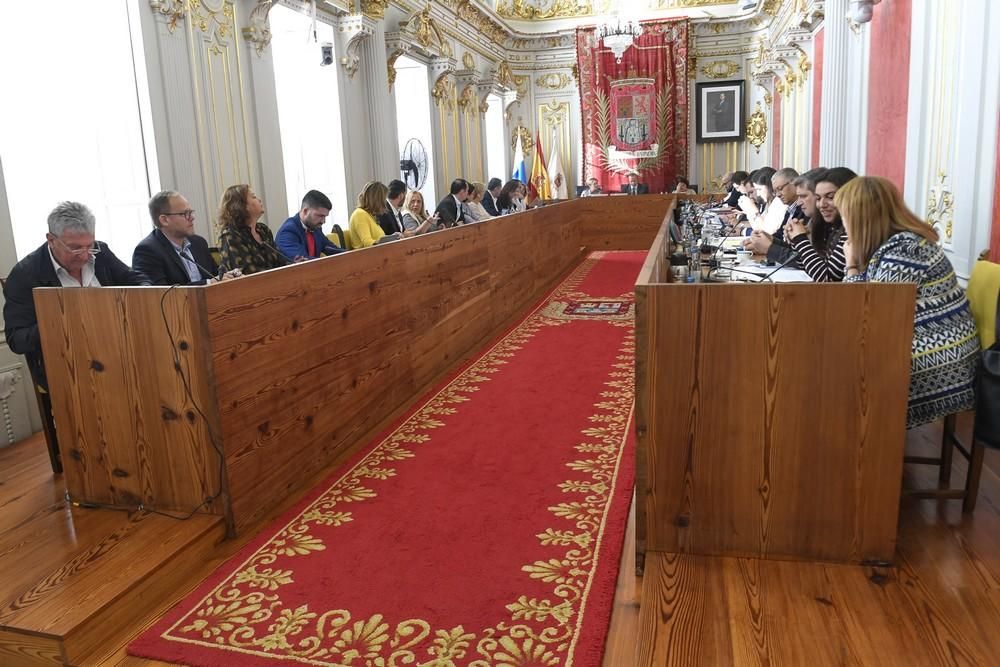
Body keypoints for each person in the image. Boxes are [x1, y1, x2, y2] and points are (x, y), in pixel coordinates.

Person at [838, 176, 979, 428]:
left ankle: (864, 451)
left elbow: (866, 313)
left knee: (840, 376)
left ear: (861, 219)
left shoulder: (905, 250)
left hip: (940, 358)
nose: (843, 225)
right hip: (930, 343)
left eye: (844, 217)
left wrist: (851, 266)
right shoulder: (897, 244)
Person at [4, 201, 149, 393]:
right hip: (67, 367)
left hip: (118, 351)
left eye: (89, 246)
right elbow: (17, 339)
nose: (84, 256)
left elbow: (134, 279)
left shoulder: (101, 252)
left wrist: (147, 291)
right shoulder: (25, 275)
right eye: (75, 248)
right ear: (51, 240)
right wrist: (63, 322)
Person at [786, 167, 857, 282]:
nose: (822, 205)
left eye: (830, 197)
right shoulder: (832, 226)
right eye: (818, 198)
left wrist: (800, 239)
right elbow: (805, 265)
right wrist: (795, 239)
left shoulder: (851, 230)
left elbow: (826, 278)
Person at [133, 190, 218, 285]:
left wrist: (227, 277)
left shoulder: (199, 242)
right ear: (164, 220)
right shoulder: (147, 251)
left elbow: (216, 275)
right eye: (185, 214)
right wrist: (208, 283)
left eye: (191, 212)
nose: (192, 218)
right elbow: (163, 294)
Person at [218, 184, 287, 275]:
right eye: (254, 197)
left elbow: (280, 261)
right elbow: (248, 273)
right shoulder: (230, 235)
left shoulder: (263, 230)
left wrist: (295, 265)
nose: (259, 200)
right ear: (242, 205)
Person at [742, 167, 799, 260]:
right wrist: (762, 242)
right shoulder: (790, 208)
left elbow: (799, 257)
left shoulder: (798, 210)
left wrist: (769, 248)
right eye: (775, 191)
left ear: (795, 184)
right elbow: (781, 238)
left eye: (780, 189)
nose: (778, 194)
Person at [275, 190, 345, 260]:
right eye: (320, 216)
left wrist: (351, 255)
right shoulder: (288, 232)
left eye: (325, 217)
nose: (323, 221)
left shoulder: (315, 227)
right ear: (305, 211)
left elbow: (329, 248)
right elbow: (304, 262)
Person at [349, 181, 399, 248]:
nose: (385, 203)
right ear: (377, 200)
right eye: (384, 199)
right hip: (366, 256)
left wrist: (392, 237)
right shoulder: (360, 214)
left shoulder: (370, 215)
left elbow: (378, 239)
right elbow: (368, 243)